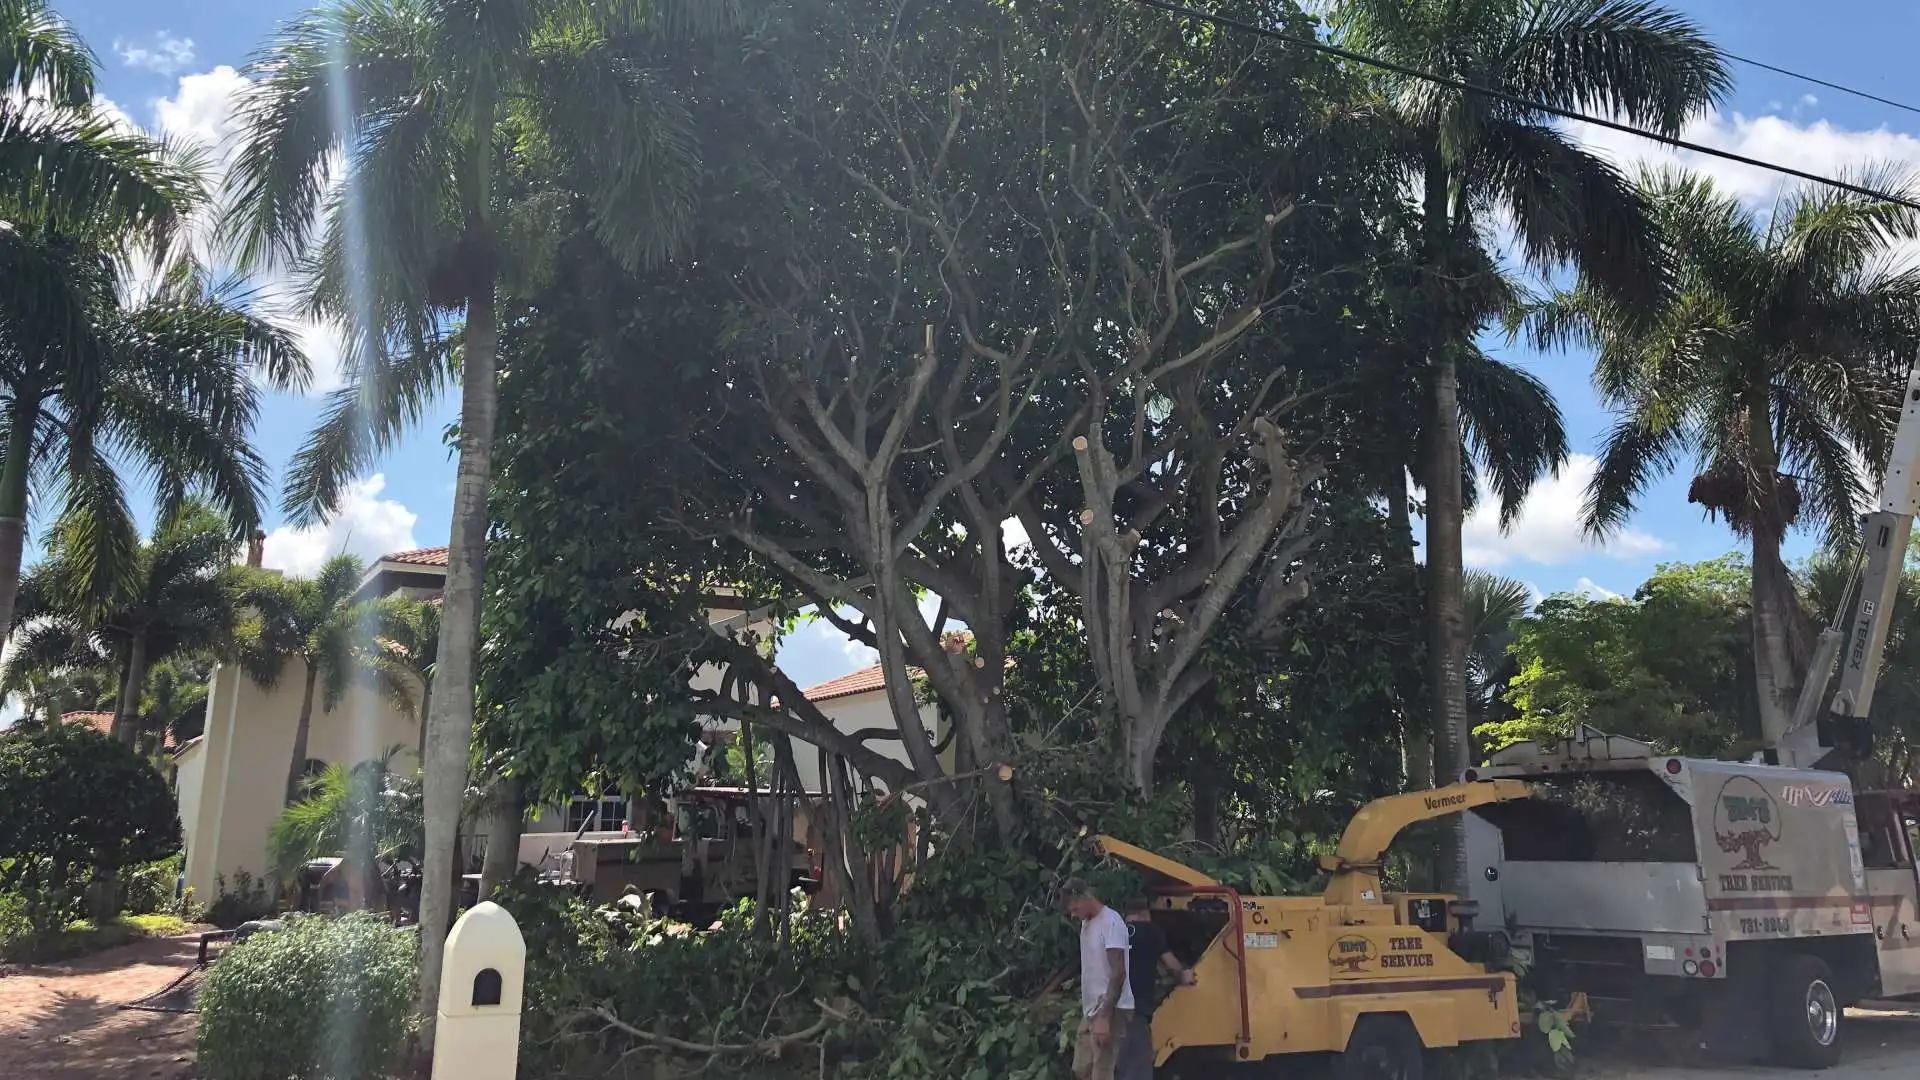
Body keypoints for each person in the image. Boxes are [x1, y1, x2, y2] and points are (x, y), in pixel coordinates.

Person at [1118, 896, 1196, 1080]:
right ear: (1146, 913)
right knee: (1138, 1064)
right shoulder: (1152, 932)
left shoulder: (1116, 931)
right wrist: (1185, 975)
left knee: (1121, 1061)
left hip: (1113, 1006)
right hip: (1136, 1008)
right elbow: (1171, 964)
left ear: (1125, 914)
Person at [1063, 878, 1133, 1080]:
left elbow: (1118, 972)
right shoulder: (1086, 923)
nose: (1074, 915)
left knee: (1101, 1070)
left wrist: (1105, 1017)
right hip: (1092, 1008)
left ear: (1084, 897)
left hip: (1112, 1007)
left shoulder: (1111, 922)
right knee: (1081, 1067)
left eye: (1075, 909)